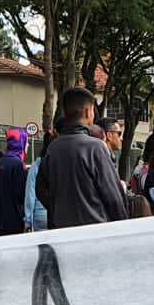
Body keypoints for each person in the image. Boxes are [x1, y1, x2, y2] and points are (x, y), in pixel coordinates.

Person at [36, 88, 129, 229]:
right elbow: (113, 197)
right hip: (94, 231)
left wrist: (59, 212)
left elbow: (41, 190)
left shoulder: (53, 148)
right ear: (88, 112)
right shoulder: (96, 148)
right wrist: (123, 226)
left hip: (61, 231)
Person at [0, 128, 29, 236]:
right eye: (26, 141)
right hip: (16, 219)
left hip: (0, 218)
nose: (28, 145)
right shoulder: (18, 165)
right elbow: (23, 194)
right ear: (21, 142)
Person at [24, 133, 52, 232]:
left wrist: (28, 221)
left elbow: (30, 194)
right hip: (60, 215)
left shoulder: (36, 166)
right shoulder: (62, 162)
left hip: (40, 216)